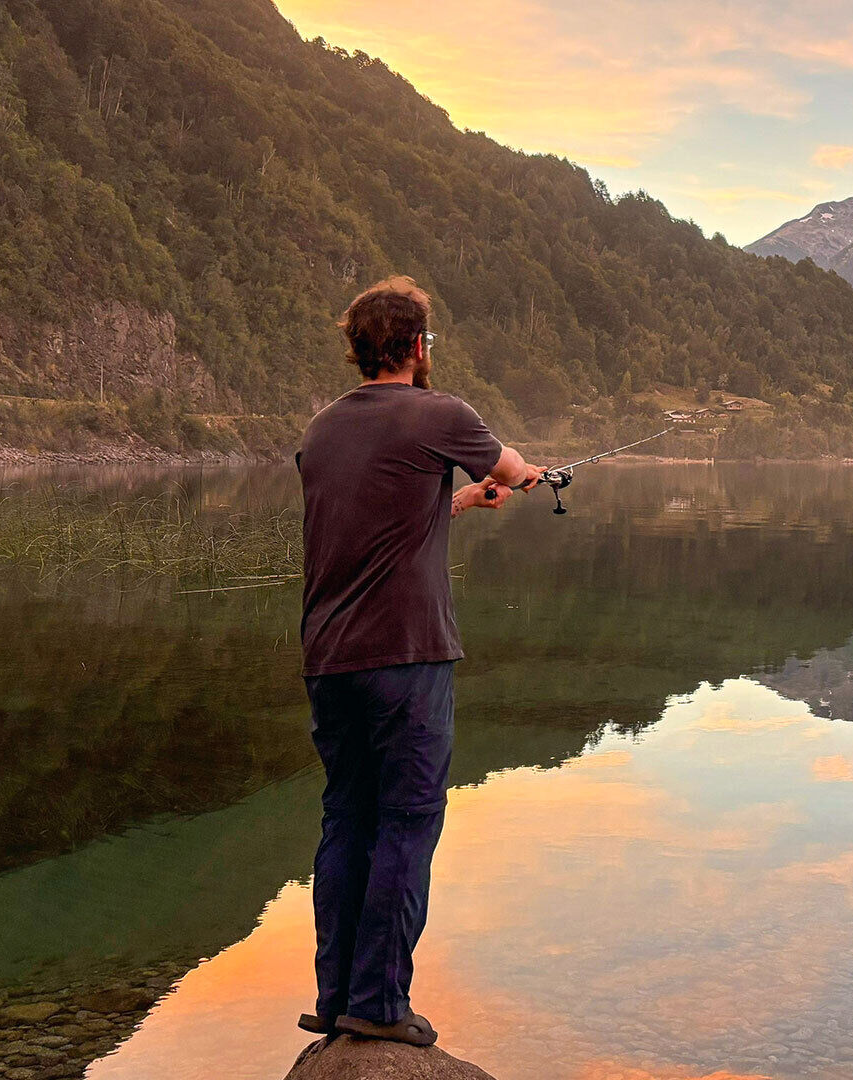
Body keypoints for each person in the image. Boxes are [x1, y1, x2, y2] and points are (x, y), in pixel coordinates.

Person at [294, 276, 542, 1045]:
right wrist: (528, 478)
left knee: (346, 819)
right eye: (426, 342)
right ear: (413, 346)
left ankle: (335, 998)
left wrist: (458, 504)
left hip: (330, 660)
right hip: (407, 658)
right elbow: (513, 467)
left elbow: (381, 521)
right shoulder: (440, 414)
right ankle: (381, 1001)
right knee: (406, 822)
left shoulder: (322, 429)